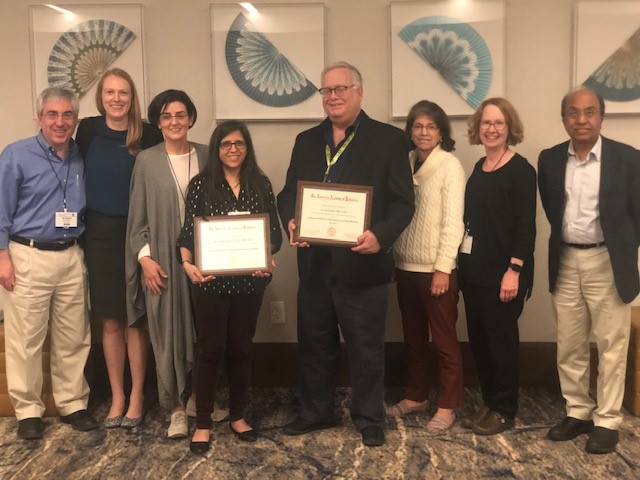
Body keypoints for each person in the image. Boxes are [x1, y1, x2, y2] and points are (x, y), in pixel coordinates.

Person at [277, 61, 414, 447]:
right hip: (314, 267)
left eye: (341, 89)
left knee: (366, 349)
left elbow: (403, 203)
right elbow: (288, 194)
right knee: (314, 345)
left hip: (363, 264)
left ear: (360, 92)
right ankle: (316, 411)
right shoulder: (306, 140)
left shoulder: (389, 140)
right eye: (326, 90)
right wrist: (291, 221)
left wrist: (380, 236)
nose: (333, 96)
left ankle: (369, 417)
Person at [538, 88, 640, 454]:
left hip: (607, 261)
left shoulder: (628, 159)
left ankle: (607, 420)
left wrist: (623, 249)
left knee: (612, 344)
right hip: (566, 259)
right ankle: (578, 411)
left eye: (589, 112)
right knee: (569, 342)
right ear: (564, 118)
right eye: (573, 112)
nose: (581, 120)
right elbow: (552, 208)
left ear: (601, 116)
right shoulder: (549, 159)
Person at [177, 120, 282, 455]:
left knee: (241, 350)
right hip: (209, 283)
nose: (233, 150)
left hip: (250, 281)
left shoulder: (260, 183)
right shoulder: (200, 184)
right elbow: (188, 233)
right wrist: (187, 265)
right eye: (226, 144)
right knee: (209, 351)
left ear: (247, 148)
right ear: (217, 148)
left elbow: (274, 236)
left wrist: (265, 256)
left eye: (239, 144)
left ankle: (238, 416)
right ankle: (203, 423)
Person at [0, 87, 98, 439]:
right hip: (27, 254)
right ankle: (28, 411)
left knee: (74, 335)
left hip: (71, 254)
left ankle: (72, 402)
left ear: (75, 119)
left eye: (67, 115)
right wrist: (2, 258)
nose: (60, 121)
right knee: (26, 339)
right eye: (52, 114)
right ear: (39, 117)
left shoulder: (80, 154)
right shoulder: (16, 154)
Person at [126, 89, 221, 439]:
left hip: (205, 258)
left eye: (180, 115)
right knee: (167, 333)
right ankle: (176, 408)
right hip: (163, 261)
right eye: (166, 116)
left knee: (205, 330)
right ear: (158, 122)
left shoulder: (209, 155)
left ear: (191, 118)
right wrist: (145, 260)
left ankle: (198, 399)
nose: (174, 122)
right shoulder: (147, 161)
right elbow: (137, 217)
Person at [75, 68, 163, 428]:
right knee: (110, 318)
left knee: (136, 317)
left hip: (140, 233)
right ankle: (117, 396)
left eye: (123, 92)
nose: (116, 99)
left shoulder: (149, 133)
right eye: (110, 92)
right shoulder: (87, 130)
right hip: (99, 233)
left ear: (132, 97)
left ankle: (138, 395)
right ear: (101, 97)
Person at [458, 97, 536, 436]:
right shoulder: (479, 167)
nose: (491, 129)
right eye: (486, 123)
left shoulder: (521, 170)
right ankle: (489, 403)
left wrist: (514, 270)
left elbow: (526, 227)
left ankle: (504, 410)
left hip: (504, 275)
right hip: (474, 273)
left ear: (509, 128)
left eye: (498, 123)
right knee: (480, 342)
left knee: (501, 344)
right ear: (479, 128)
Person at [387, 100, 465, 432]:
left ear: (442, 132)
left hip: (437, 270)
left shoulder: (450, 165)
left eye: (431, 126)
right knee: (414, 339)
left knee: (444, 343)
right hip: (405, 266)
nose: (423, 132)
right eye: (418, 126)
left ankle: (447, 406)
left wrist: (443, 268)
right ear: (410, 131)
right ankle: (416, 396)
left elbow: (453, 222)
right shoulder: (404, 162)